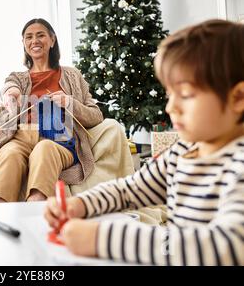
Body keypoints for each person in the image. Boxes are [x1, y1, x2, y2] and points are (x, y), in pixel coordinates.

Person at [44, 19, 244, 265]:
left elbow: (226, 248)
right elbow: (129, 190)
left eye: (186, 95)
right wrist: (80, 205)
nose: (171, 107)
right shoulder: (183, 152)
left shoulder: (239, 164)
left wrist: (102, 238)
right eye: (170, 95)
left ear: (238, 98)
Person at [0, 18, 104, 203]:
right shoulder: (18, 77)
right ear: (23, 43)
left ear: (52, 40)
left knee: (44, 148)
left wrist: (70, 103)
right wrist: (10, 94)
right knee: (9, 154)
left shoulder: (72, 75)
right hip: (22, 137)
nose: (34, 41)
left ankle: (36, 210)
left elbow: (96, 115)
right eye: (28, 37)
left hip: (58, 140)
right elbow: (9, 86)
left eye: (40, 35)